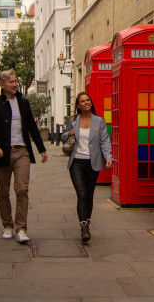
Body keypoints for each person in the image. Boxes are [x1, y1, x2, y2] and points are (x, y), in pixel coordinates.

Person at [0, 69, 48, 243]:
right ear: (2, 84)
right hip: (2, 154)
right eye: (11, 82)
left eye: (15, 81)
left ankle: (21, 228)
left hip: (22, 151)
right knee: (3, 192)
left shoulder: (23, 103)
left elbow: (32, 127)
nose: (15, 84)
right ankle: (7, 226)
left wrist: (41, 149)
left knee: (22, 190)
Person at [61, 91, 112, 243]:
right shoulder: (73, 120)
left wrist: (108, 157)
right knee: (82, 194)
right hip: (76, 162)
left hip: (93, 162)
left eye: (88, 100)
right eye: (83, 101)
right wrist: (69, 133)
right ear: (78, 105)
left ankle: (86, 222)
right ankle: (84, 228)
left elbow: (104, 140)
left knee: (89, 196)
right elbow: (63, 137)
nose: (86, 103)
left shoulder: (99, 121)